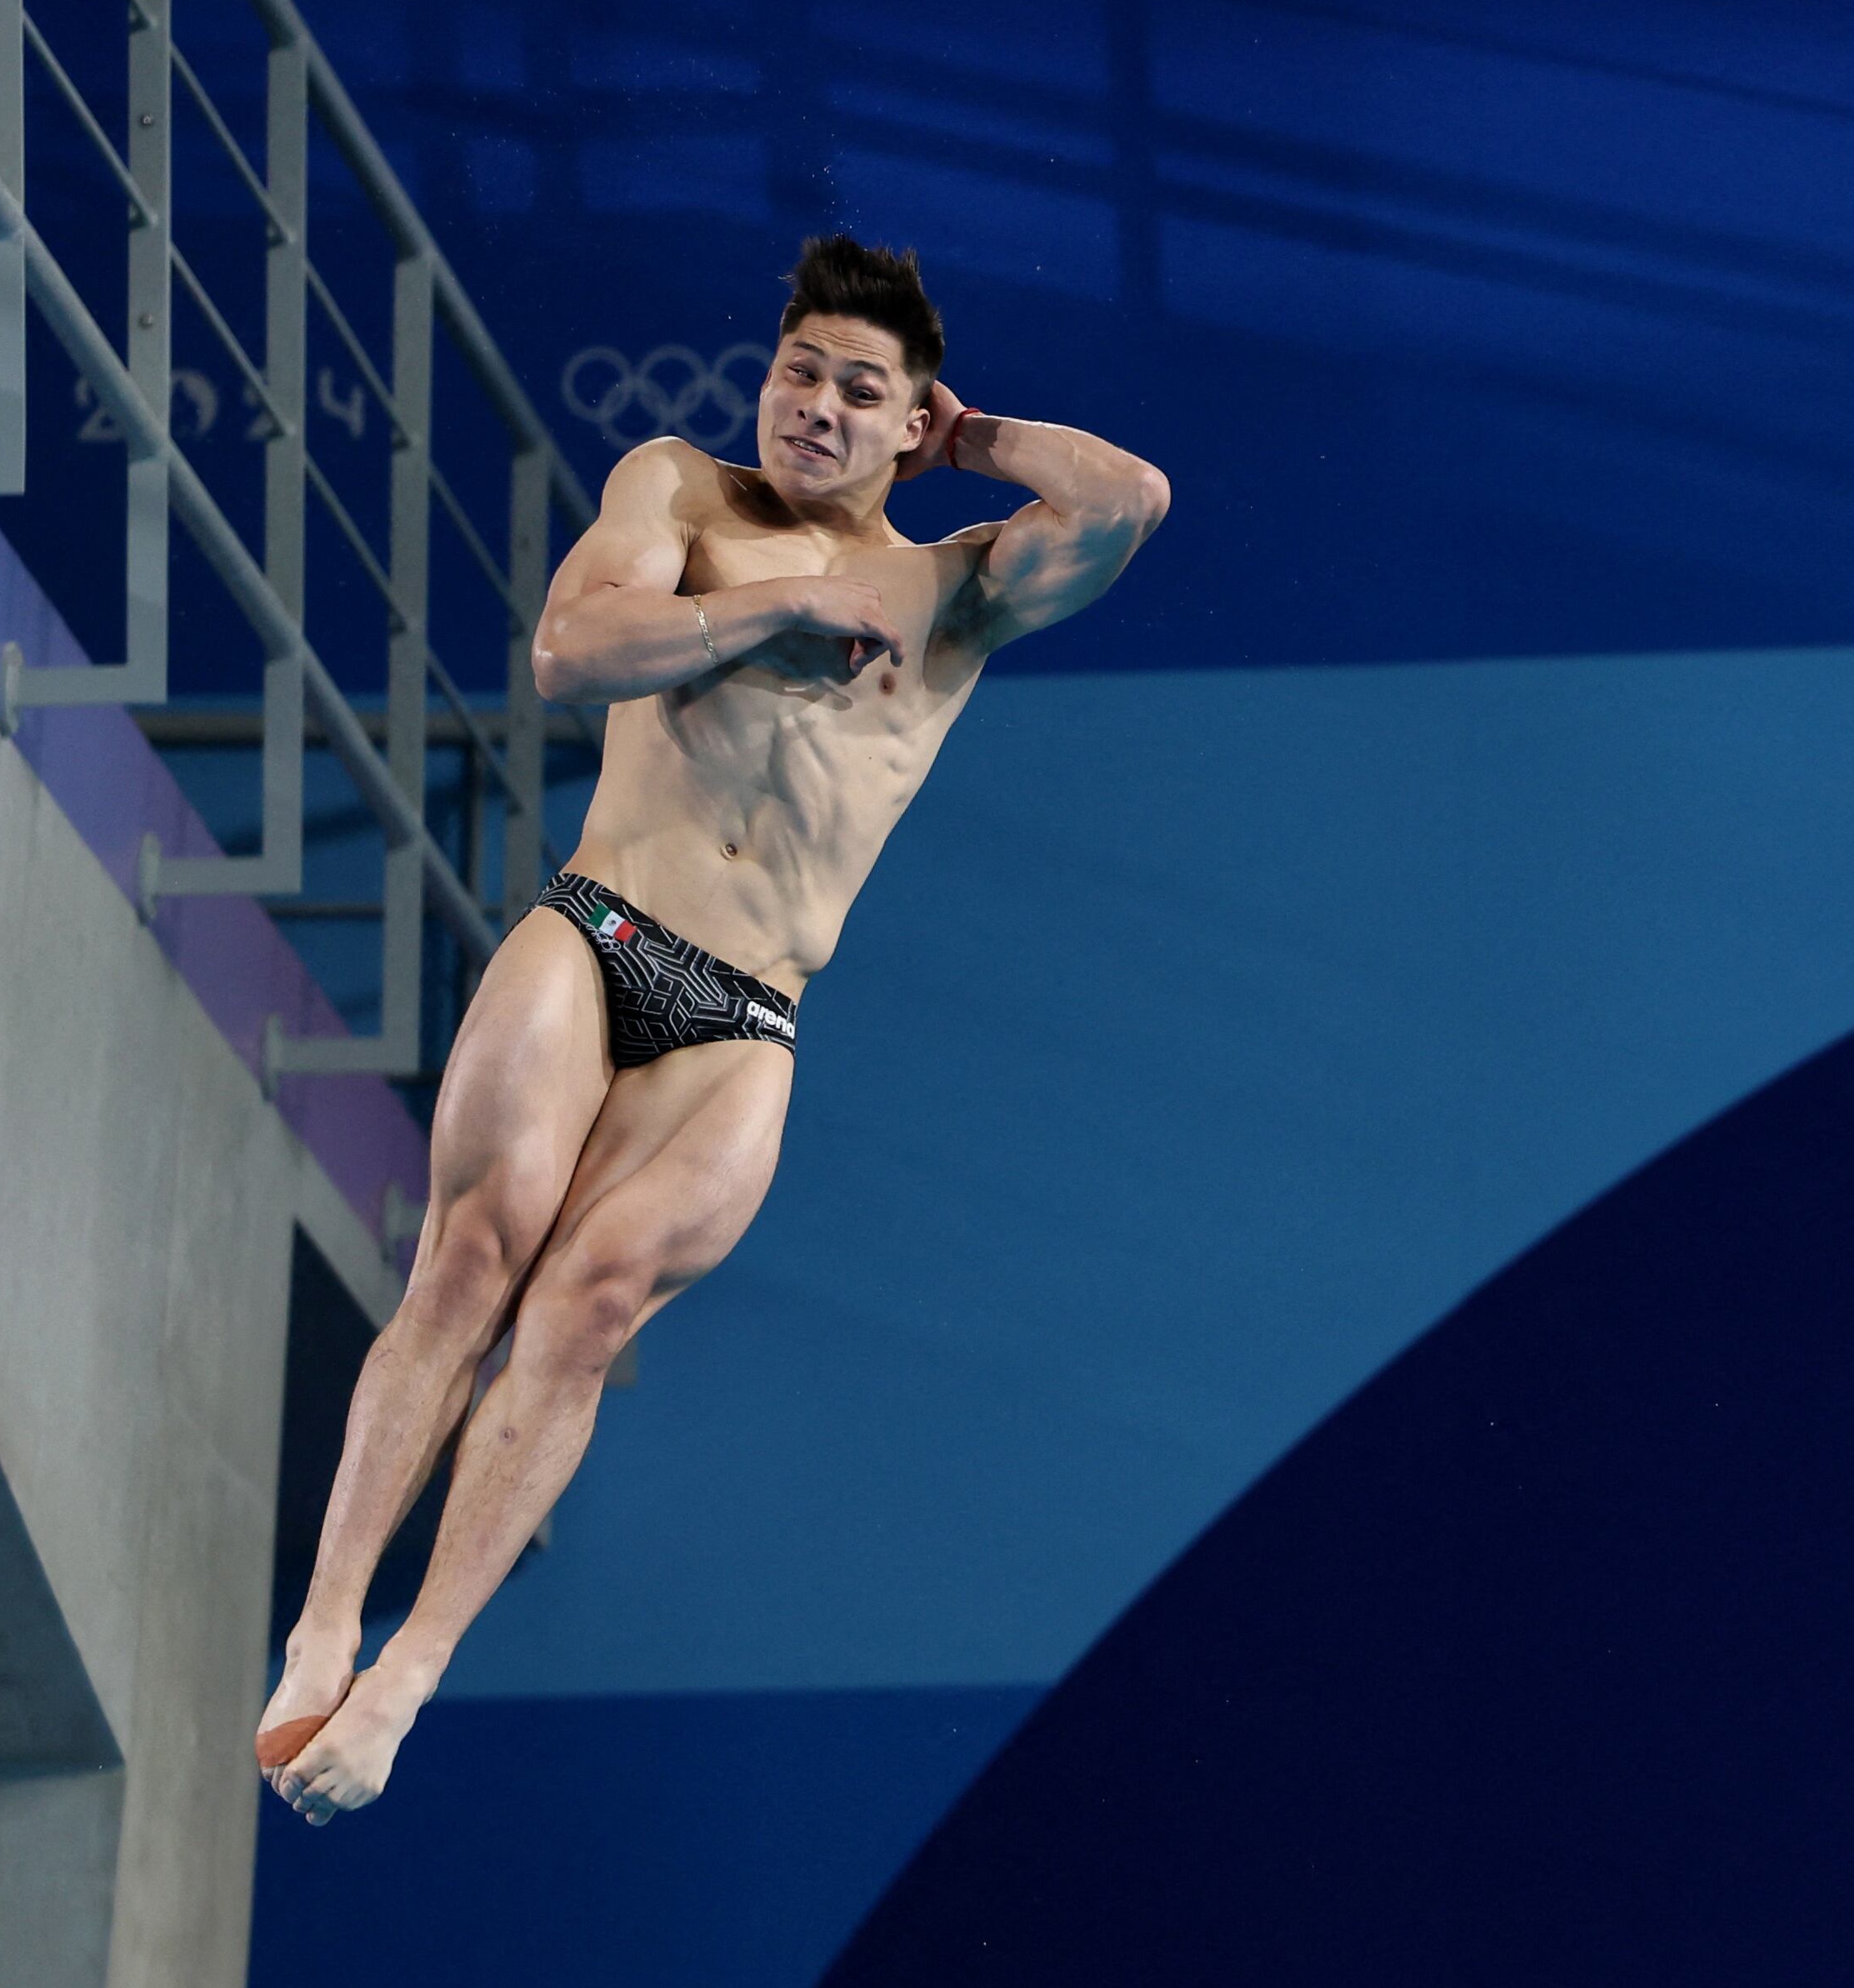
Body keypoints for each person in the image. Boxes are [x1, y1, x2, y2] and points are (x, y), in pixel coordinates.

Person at [255, 234, 1169, 1821]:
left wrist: (973, 444)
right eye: (799, 369)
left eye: (857, 389)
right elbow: (569, 655)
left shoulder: (955, 592)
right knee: (470, 1261)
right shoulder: (679, 490)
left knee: (585, 1314)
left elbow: (1132, 504)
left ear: (909, 418)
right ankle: (328, 1616)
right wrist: (772, 611)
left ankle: (409, 1674)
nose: (814, 405)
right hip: (600, 929)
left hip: (746, 1011)